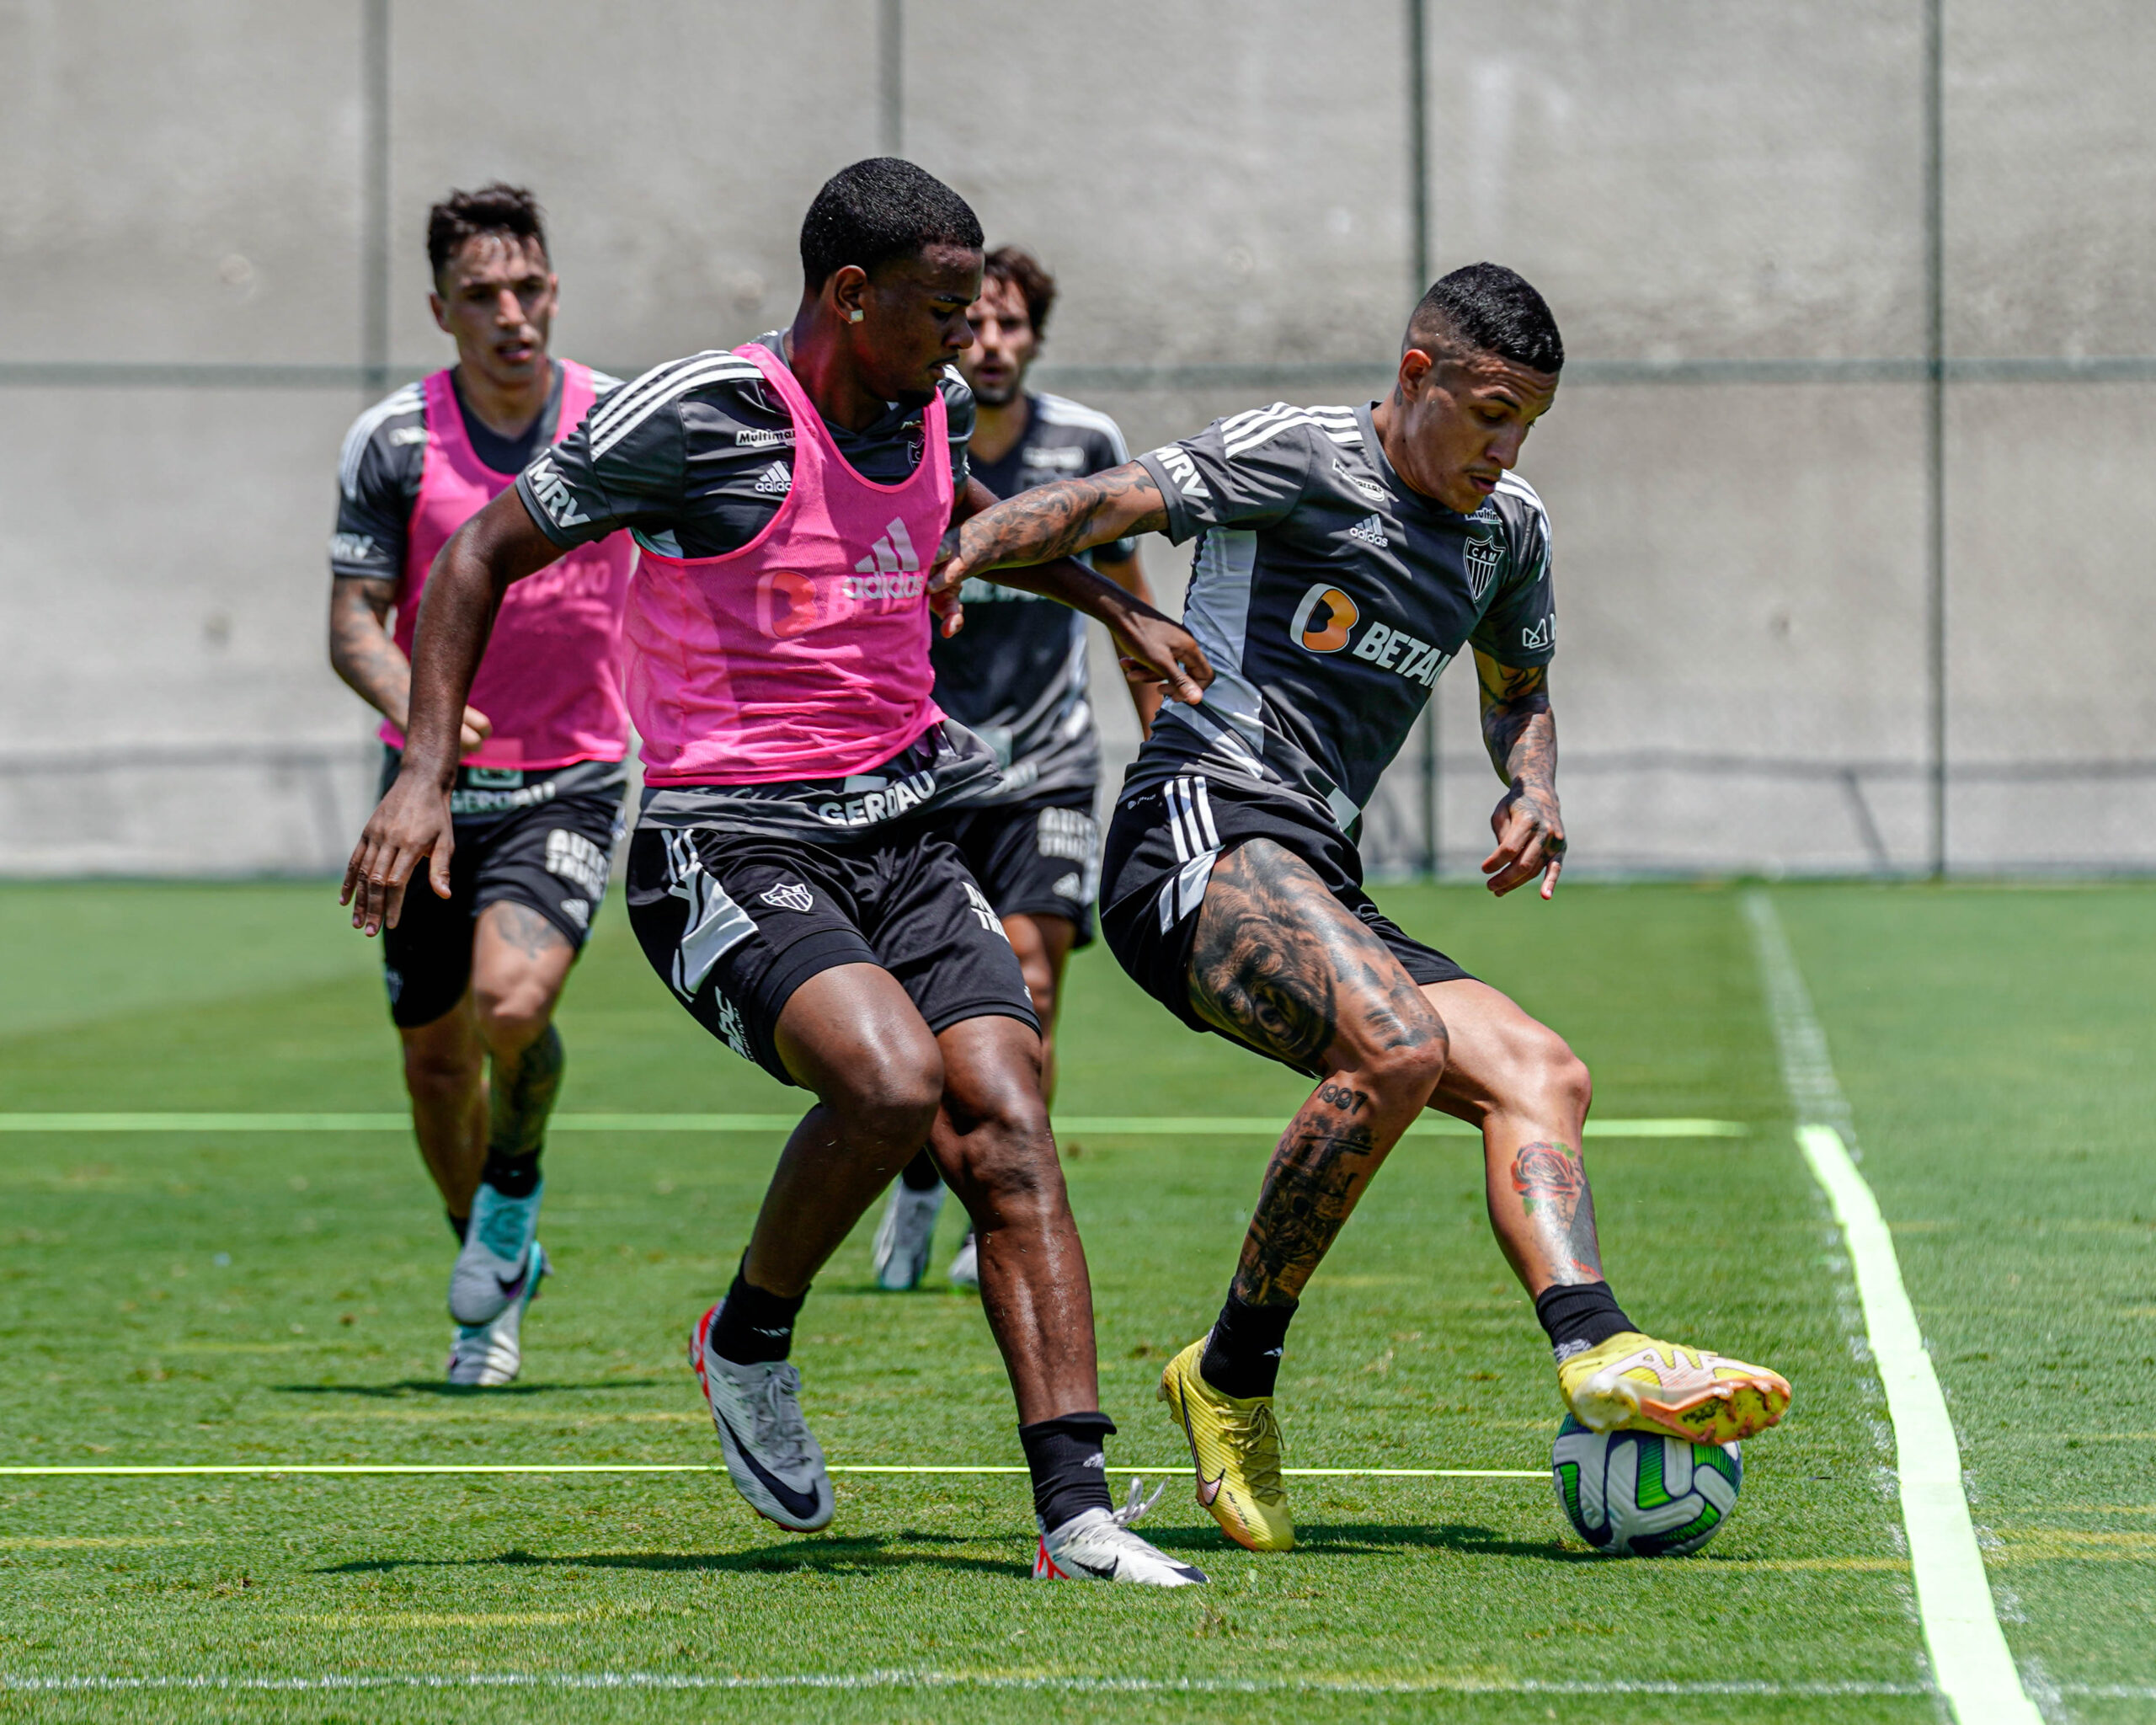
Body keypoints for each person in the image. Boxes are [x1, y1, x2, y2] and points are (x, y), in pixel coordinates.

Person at [343, 159, 1215, 1586]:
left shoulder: (921, 402)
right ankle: (747, 1339)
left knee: (1006, 1107)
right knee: (889, 1082)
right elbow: (475, 558)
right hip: (722, 841)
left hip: (907, 829)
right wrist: (428, 768)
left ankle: (1079, 1518)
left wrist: (1118, 609)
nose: (964, 337)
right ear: (851, 295)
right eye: (944, 309)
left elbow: (969, 517)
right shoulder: (706, 416)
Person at [930, 262, 1792, 1555]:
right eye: (1491, 411)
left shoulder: (1510, 530)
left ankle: (1593, 1345)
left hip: (1315, 869)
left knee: (1543, 1072)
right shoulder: (1304, 456)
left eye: (1531, 425)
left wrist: (1532, 783)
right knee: (1394, 1042)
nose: (1504, 448)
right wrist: (972, 543)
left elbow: (1519, 687)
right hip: (1196, 826)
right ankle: (1243, 1380)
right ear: (1417, 375)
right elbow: (1107, 501)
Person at [328, 184, 635, 1388]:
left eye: (529, 290)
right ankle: (491, 1276)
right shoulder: (396, 441)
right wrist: (428, 728)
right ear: (440, 311)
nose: (512, 315)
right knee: (434, 1061)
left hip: (571, 774)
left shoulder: (616, 423)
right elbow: (353, 626)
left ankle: (511, 1196)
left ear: (553, 290)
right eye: (482, 297)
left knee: (510, 1012)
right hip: (430, 794)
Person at [872, 246, 1160, 1295]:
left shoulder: (1085, 442)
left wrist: (1164, 749)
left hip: (1047, 764)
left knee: (1030, 982)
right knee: (912, 1006)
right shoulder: (901, 433)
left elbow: (1129, 600)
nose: (989, 344)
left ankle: (988, 1196)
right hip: (926, 767)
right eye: (974, 324)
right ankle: (917, 1168)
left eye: (1009, 326)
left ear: (1033, 336)